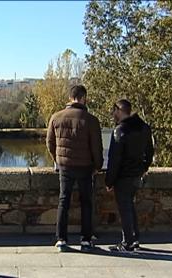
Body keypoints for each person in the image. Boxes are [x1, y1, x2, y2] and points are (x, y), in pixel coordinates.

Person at [46, 84, 103, 252]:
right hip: (85, 167)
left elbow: (49, 142)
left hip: (65, 166)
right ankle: (85, 239)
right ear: (84, 97)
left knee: (64, 200)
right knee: (86, 202)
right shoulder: (91, 120)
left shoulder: (56, 117)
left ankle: (61, 239)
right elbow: (96, 147)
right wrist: (97, 166)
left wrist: (57, 160)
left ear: (70, 98)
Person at [105, 99, 154, 252]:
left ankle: (127, 242)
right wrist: (143, 168)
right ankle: (135, 238)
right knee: (130, 206)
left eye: (114, 111)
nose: (113, 114)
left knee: (125, 208)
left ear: (119, 111)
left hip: (123, 176)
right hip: (136, 175)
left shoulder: (120, 131)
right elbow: (150, 152)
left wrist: (109, 181)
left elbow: (114, 159)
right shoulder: (144, 127)